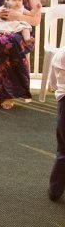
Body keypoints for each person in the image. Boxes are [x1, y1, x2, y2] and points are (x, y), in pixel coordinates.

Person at [48, 46, 65, 202]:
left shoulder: (60, 54)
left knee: (63, 150)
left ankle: (55, 190)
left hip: (63, 102)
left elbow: (53, 82)